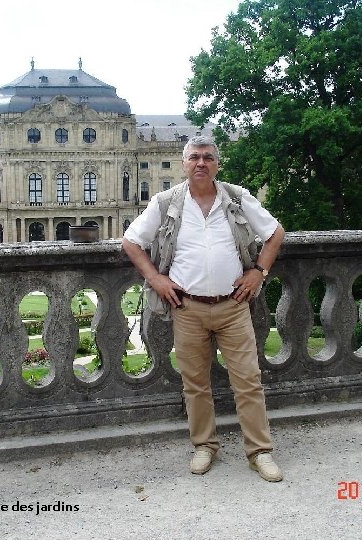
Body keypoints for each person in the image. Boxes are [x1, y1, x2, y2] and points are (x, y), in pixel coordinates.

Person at [122, 135, 285, 482]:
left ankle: (259, 451)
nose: (201, 163)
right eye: (194, 157)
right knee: (195, 384)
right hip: (188, 308)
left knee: (249, 382)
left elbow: (275, 233)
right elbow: (131, 241)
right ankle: (204, 445)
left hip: (233, 305)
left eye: (208, 157)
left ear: (217, 164)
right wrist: (156, 279)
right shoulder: (166, 202)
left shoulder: (238, 198)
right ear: (184, 164)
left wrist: (259, 272)